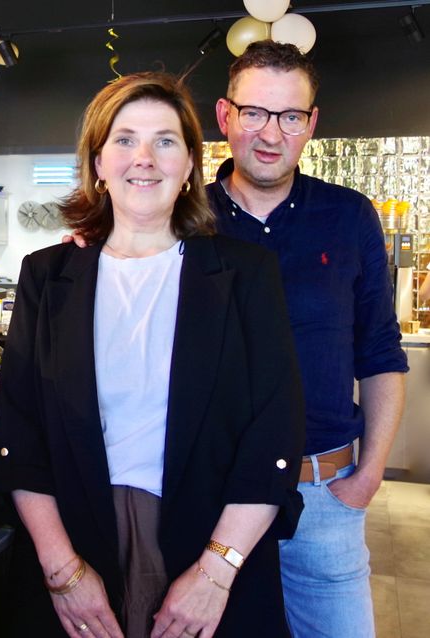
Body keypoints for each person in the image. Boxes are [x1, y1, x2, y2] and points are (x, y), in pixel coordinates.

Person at [0, 71, 306, 638]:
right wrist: (62, 572)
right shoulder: (47, 275)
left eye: (165, 141)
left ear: (189, 165)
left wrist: (215, 573)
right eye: (125, 138)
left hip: (209, 545)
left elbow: (274, 434)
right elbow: (21, 431)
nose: (145, 157)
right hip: (79, 543)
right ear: (97, 164)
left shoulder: (246, 275)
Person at [207, 41, 407, 637]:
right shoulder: (188, 220)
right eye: (255, 113)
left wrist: (368, 475)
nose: (272, 133)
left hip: (323, 500)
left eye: (291, 116)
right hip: (212, 500)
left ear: (312, 123)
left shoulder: (350, 216)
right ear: (225, 116)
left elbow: (380, 352)